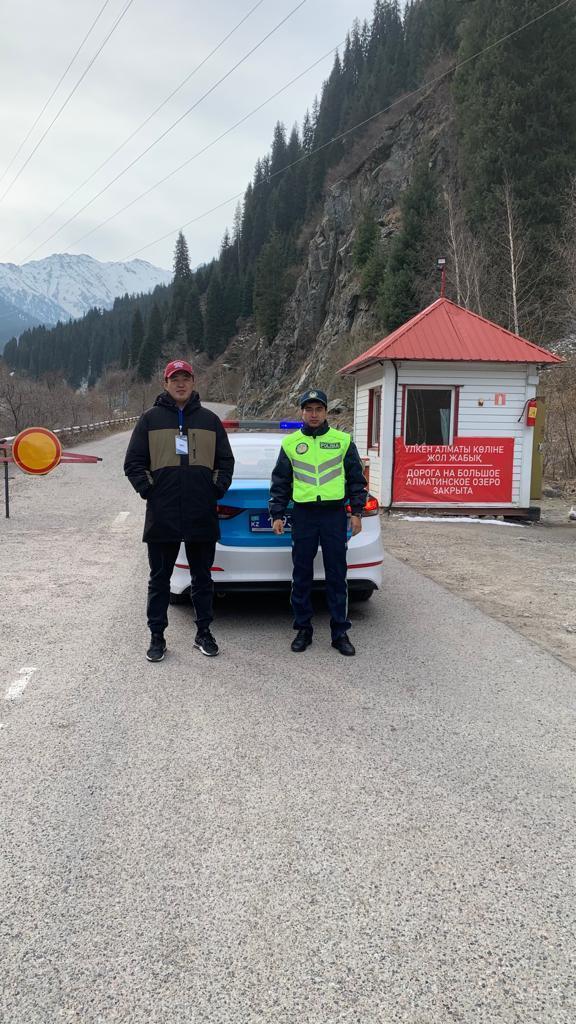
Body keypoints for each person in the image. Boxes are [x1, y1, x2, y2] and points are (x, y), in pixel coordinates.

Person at [124, 359, 234, 662]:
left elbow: (225, 462)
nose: (181, 384)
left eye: (185, 378)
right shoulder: (150, 420)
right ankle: (157, 637)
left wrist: (214, 490)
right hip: (163, 514)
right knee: (160, 579)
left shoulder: (210, 421)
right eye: (175, 379)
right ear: (165, 384)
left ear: (193, 382)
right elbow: (133, 463)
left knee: (202, 579)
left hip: (201, 512)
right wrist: (150, 491)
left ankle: (204, 633)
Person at [269, 389, 367, 657]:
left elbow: (356, 479)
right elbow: (281, 482)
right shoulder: (291, 443)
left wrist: (356, 512)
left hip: (334, 515)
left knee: (337, 574)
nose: (313, 414)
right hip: (304, 515)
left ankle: (340, 632)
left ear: (326, 412)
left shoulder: (343, 441)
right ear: (302, 412)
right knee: (301, 574)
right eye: (308, 409)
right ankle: (303, 629)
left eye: (318, 409)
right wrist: (277, 514)